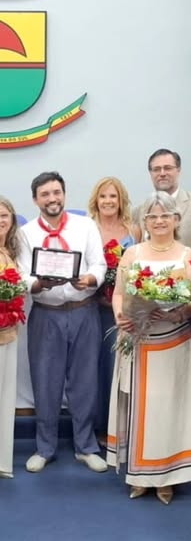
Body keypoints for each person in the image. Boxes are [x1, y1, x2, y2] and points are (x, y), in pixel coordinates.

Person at [107, 192, 191, 504]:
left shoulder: (189, 255)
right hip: (137, 339)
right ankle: (140, 477)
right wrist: (120, 316)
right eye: (152, 216)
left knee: (170, 408)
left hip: (175, 342)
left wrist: (183, 311)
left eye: (165, 215)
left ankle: (168, 476)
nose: (159, 221)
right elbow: (119, 293)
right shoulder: (132, 253)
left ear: (177, 220)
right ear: (145, 221)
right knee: (142, 408)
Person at [19, 172, 107, 473]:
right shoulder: (25, 233)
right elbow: (22, 273)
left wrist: (90, 279)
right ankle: (45, 447)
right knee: (45, 382)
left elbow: (99, 263)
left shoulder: (85, 226)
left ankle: (86, 446)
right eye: (45, 194)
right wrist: (38, 283)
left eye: (56, 192)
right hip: (46, 314)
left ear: (64, 194)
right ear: (36, 200)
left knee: (85, 381)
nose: (52, 198)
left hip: (84, 311)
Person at [87, 177, 141, 446]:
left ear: (121, 201)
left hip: (125, 312)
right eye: (103, 196)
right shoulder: (88, 228)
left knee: (121, 369)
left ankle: (121, 425)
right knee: (96, 368)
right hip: (93, 309)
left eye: (113, 196)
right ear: (95, 200)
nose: (108, 201)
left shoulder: (134, 230)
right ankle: (98, 426)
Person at [133, 148, 191, 250]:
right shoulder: (139, 210)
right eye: (156, 169)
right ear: (150, 173)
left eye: (168, 168)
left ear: (178, 170)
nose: (162, 173)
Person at [0, 196, 20, 479]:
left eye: (4, 215)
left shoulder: (9, 251)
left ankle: (2, 460)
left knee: (5, 397)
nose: (0, 221)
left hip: (9, 333)